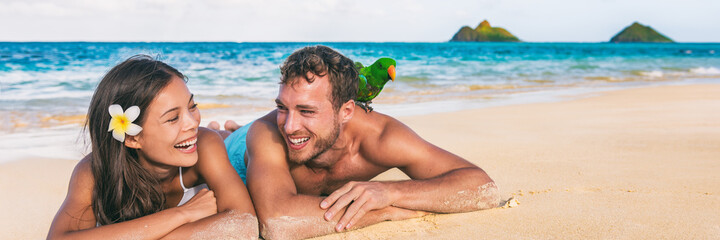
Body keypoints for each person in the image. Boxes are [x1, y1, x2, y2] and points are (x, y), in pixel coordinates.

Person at [218, 46, 500, 239]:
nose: (289, 125)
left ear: (347, 111)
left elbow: (482, 187)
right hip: (240, 149)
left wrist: (389, 193)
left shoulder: (380, 137)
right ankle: (227, 131)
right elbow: (276, 222)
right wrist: (382, 211)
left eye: (307, 111)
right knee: (231, 137)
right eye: (282, 106)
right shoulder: (268, 132)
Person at [47, 55, 258, 239]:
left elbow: (245, 224)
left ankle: (229, 129)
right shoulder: (93, 172)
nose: (192, 122)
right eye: (173, 118)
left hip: (230, 149)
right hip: (190, 146)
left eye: (192, 106)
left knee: (237, 138)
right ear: (132, 138)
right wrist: (182, 214)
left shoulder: (205, 144)